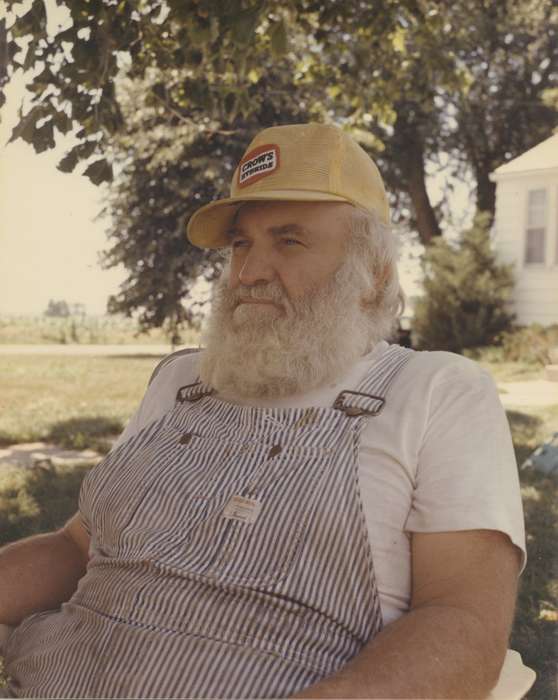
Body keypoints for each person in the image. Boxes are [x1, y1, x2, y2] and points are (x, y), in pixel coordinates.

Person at [0, 123, 525, 699]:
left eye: (289, 241)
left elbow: (461, 623)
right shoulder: (182, 379)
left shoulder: (435, 391)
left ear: (373, 275)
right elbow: (80, 548)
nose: (248, 273)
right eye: (242, 243)